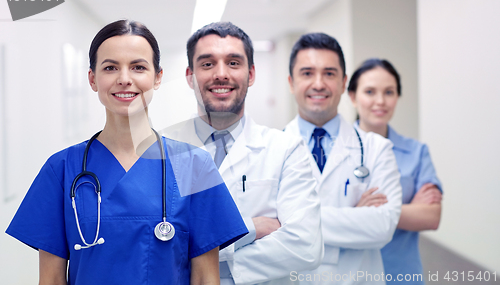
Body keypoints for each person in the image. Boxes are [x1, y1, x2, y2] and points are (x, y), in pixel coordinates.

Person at [6, 20, 248, 285]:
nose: (124, 79)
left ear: (157, 77)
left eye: (138, 67)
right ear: (92, 79)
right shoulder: (61, 169)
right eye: (110, 67)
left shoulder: (195, 167)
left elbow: (205, 279)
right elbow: (51, 280)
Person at [162, 22, 323, 285]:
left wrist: (202, 254)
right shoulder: (160, 152)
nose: (221, 74)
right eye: (207, 64)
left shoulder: (286, 150)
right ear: (190, 76)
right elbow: (155, 243)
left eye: (233, 63)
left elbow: (306, 247)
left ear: (251, 74)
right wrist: (250, 229)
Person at [284, 33, 402, 284]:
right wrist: (352, 215)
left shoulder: (377, 149)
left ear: (343, 82)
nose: (319, 84)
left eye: (329, 73)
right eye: (307, 73)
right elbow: (259, 229)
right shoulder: (270, 150)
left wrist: (289, 221)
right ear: (291, 83)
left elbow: (382, 226)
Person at [348, 58, 442, 284]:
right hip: (350, 274)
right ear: (352, 96)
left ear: (397, 96)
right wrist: (406, 211)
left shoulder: (416, 152)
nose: (380, 101)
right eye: (370, 91)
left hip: (401, 274)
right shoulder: (335, 150)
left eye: (389, 92)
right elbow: (322, 214)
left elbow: (431, 217)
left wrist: (363, 212)